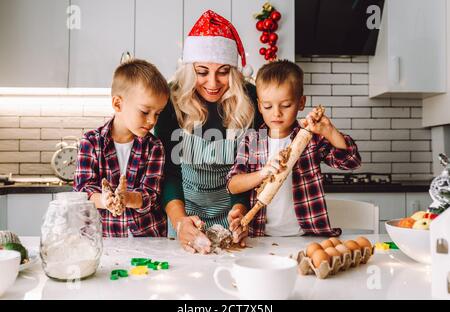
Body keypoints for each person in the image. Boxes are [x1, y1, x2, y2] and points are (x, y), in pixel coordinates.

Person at [154, 10, 263, 253]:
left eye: (223, 71)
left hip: (236, 220)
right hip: (184, 218)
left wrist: (240, 213)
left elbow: (250, 170)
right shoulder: (170, 101)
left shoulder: (252, 99)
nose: (212, 83)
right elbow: (168, 173)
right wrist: (181, 221)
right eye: (202, 72)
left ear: (234, 71)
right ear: (189, 68)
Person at [227, 60, 362, 237]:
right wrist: (263, 173)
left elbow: (351, 161)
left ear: (301, 103)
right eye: (268, 106)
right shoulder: (252, 141)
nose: (276, 113)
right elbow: (233, 185)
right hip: (260, 237)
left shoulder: (311, 139)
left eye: (285, 105)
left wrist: (329, 131)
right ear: (260, 106)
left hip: (306, 237)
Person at [74, 59, 170, 237]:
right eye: (145, 111)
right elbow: (83, 191)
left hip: (148, 241)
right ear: (118, 104)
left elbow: (151, 195)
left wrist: (128, 198)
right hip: (103, 241)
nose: (152, 121)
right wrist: (105, 199)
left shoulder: (154, 147)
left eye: (157, 114)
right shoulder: (91, 142)